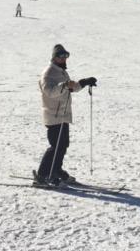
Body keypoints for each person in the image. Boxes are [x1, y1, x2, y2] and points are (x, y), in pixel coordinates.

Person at [34, 44, 97, 186]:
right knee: (55, 146)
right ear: (54, 58)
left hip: (62, 115)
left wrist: (85, 82)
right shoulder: (48, 72)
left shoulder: (61, 72)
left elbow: (70, 87)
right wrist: (63, 85)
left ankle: (56, 170)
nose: (63, 59)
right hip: (53, 115)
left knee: (63, 145)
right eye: (60, 56)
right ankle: (42, 175)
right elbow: (49, 91)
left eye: (65, 56)